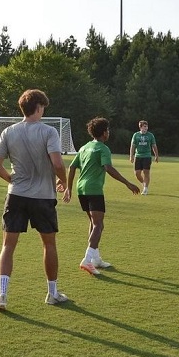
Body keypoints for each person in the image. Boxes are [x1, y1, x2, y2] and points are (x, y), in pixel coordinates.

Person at [0, 89, 69, 310]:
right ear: (39, 108)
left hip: (16, 195)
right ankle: (52, 293)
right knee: (49, 244)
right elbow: (58, 163)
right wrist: (65, 182)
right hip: (43, 197)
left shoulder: (9, 132)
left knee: (8, 245)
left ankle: (2, 295)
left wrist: (11, 179)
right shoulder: (49, 132)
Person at [65, 117, 140, 276]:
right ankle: (87, 260)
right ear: (104, 132)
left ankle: (96, 259)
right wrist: (127, 183)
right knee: (98, 225)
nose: (109, 132)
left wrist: (68, 189)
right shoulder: (103, 148)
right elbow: (108, 168)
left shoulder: (84, 147)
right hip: (94, 189)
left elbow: (71, 167)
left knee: (94, 224)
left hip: (81, 188)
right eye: (108, 130)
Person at [129, 120, 159, 195]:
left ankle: (145, 188)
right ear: (140, 127)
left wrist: (156, 155)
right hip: (138, 156)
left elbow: (154, 146)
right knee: (137, 173)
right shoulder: (136, 135)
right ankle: (143, 183)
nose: (146, 128)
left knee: (146, 172)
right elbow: (132, 146)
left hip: (147, 156)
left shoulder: (150, 135)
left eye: (147, 126)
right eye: (144, 126)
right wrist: (131, 156)